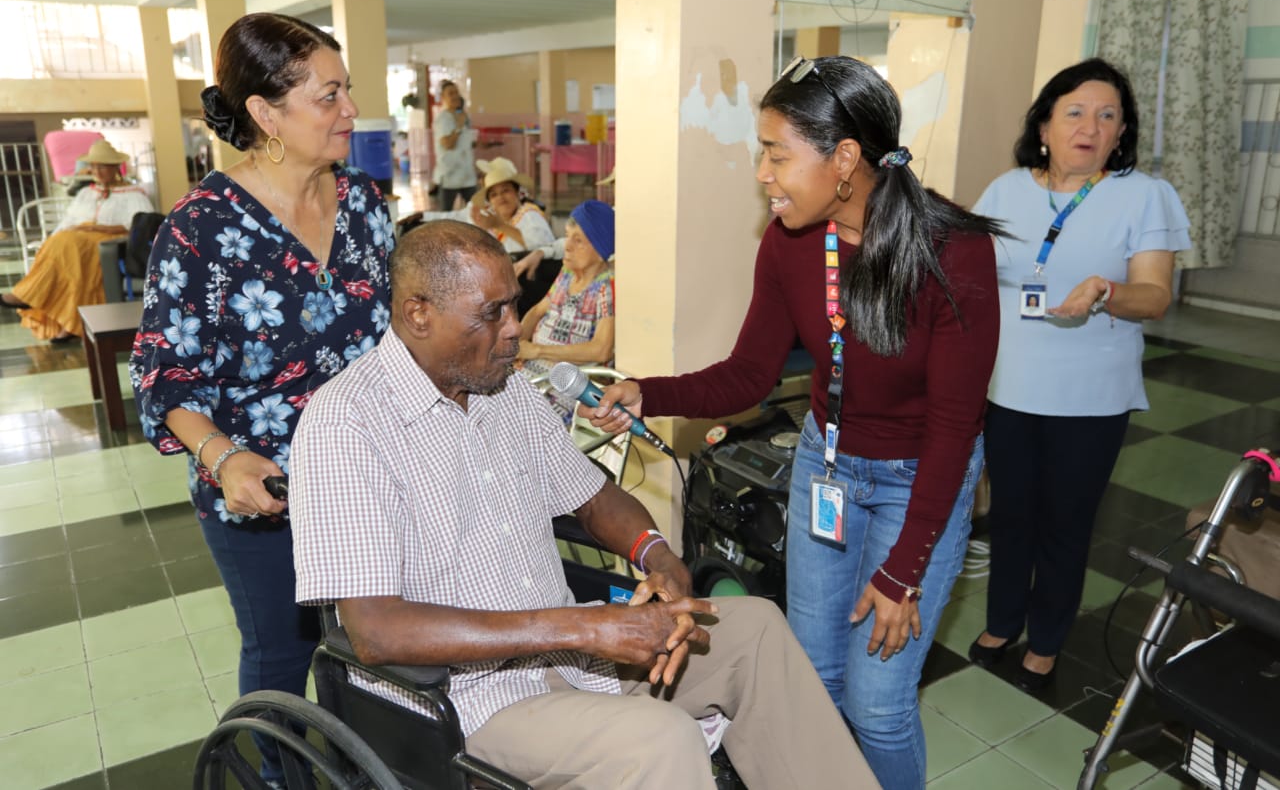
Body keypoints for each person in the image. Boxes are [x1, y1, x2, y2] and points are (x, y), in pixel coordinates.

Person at [288, 220, 878, 790]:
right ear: (419, 314)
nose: (515, 328)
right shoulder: (347, 423)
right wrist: (581, 626)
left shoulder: (505, 389)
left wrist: (656, 556)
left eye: (515, 305)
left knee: (755, 632)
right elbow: (376, 633)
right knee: (660, 739)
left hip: (575, 662)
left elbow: (595, 498)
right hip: (465, 705)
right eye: (493, 313)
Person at [587, 55, 1001, 790]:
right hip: (827, 468)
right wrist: (644, 391)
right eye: (762, 153)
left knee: (877, 707)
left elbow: (953, 427)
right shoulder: (789, 242)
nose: (763, 174)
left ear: (844, 158)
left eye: (778, 153)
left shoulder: (954, 251)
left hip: (919, 481)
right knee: (812, 680)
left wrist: (903, 570)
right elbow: (750, 373)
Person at [128, 12, 394, 787]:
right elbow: (164, 374)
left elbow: (392, 334)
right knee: (282, 659)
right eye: (329, 95)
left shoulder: (366, 205)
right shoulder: (199, 231)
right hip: (263, 495)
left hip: (370, 478)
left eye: (348, 92)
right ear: (266, 114)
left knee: (377, 649)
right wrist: (224, 455)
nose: (350, 112)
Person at [967, 58, 1191, 692]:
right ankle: (1003, 620)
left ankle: (1048, 639)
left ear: (1121, 133)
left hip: (1091, 397)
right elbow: (970, 273)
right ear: (1044, 123)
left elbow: (1154, 296)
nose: (1090, 127)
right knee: (1010, 515)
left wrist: (1105, 291)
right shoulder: (1007, 190)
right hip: (1010, 387)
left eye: (1107, 115)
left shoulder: (1143, 195)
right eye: (1075, 112)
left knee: (1066, 522)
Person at [1, 139, 153, 341]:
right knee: (63, 246)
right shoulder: (85, 193)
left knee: (73, 246)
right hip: (76, 241)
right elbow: (68, 221)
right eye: (93, 166)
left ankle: (31, 296)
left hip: (111, 241)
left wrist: (97, 227)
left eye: (103, 166)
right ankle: (64, 319)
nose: (97, 171)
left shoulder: (134, 194)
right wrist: (51, 242)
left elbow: (140, 226)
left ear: (116, 167)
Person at [517, 199, 615, 421]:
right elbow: (537, 311)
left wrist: (536, 350)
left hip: (563, 386)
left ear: (600, 249)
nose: (567, 246)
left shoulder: (606, 286)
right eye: (568, 236)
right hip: (532, 371)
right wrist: (517, 346)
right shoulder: (567, 274)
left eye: (578, 240)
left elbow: (601, 350)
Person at [472, 156, 555, 255]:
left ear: (517, 192)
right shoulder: (493, 223)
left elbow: (541, 247)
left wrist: (500, 225)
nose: (500, 197)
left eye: (505, 190)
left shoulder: (530, 215)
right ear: (490, 202)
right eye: (494, 195)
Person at [432, 80, 476, 211]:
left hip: (467, 174)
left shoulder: (463, 116)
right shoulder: (443, 118)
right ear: (443, 98)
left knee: (473, 211)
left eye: (456, 92)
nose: (455, 96)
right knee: (446, 215)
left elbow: (466, 142)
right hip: (450, 174)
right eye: (450, 93)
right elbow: (447, 144)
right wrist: (459, 126)